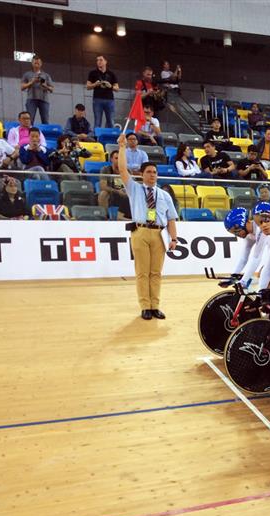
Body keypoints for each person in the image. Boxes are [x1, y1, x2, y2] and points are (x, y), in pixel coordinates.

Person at [117, 132, 178, 320]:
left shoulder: (165, 195)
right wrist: (121, 148)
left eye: (154, 172)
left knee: (156, 272)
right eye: (148, 172)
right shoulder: (134, 189)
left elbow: (171, 219)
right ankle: (145, 305)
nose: (152, 175)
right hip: (141, 231)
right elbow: (122, 171)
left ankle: (155, 305)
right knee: (142, 272)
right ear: (142, 174)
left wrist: (174, 238)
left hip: (159, 234)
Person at [86, 55, 119, 128]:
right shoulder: (93, 73)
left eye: (101, 60)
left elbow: (117, 88)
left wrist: (110, 86)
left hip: (109, 100)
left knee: (110, 121)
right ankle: (96, 138)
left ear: (105, 62)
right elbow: (88, 86)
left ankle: (111, 137)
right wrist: (95, 84)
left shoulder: (111, 73)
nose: (99, 62)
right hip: (97, 99)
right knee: (97, 121)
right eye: (97, 60)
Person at [21, 56, 54, 124]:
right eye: (35, 63)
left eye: (38, 63)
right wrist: (32, 82)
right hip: (31, 99)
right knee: (30, 120)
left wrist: (45, 85)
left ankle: (44, 134)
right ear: (32, 63)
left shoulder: (46, 75)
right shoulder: (27, 74)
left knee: (45, 119)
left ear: (41, 63)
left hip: (44, 99)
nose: (36, 64)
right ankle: (29, 134)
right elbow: (22, 87)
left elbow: (52, 89)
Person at [98, 150, 129, 214]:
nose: (119, 160)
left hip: (124, 195)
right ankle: (105, 217)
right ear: (111, 159)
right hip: (111, 194)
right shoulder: (105, 169)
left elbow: (132, 186)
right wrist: (117, 191)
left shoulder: (128, 171)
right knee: (103, 194)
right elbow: (103, 186)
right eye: (116, 158)